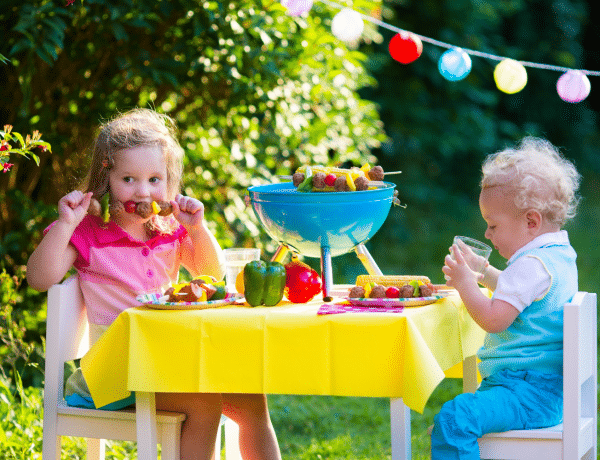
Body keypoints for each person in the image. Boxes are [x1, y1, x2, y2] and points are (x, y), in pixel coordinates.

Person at [27, 108, 282, 460]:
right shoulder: (90, 234)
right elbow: (39, 278)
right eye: (128, 179)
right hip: (114, 375)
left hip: (167, 365)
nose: (143, 191)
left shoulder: (170, 231)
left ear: (168, 182)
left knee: (251, 400)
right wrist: (66, 224)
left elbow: (212, 273)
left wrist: (197, 229)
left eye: (154, 180)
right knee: (205, 406)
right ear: (105, 180)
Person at [431, 137, 581, 460]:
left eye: (493, 225)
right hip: (545, 392)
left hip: (524, 392)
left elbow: (495, 318)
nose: (487, 234)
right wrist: (483, 272)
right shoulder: (556, 256)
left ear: (531, 221)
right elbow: (520, 295)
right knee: (456, 422)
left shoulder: (531, 265)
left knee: (454, 419)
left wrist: (464, 284)